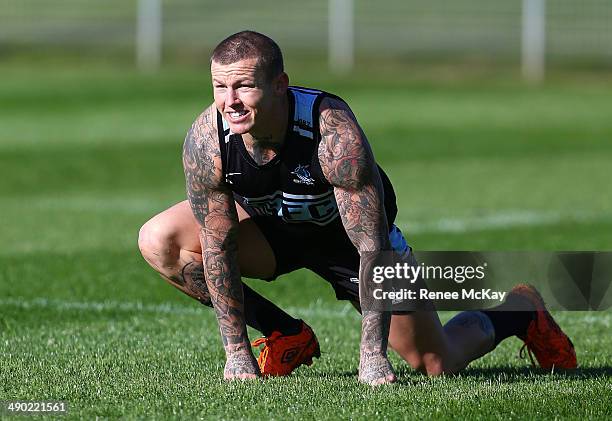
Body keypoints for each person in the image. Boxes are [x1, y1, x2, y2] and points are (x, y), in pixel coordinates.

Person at [138, 31, 576, 384]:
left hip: (349, 245)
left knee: (435, 362)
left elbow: (372, 245)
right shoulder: (207, 140)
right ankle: (285, 333)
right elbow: (217, 244)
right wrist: (236, 355)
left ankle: (518, 310)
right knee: (160, 241)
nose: (230, 100)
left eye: (244, 85)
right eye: (220, 86)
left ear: (279, 85)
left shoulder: (332, 134)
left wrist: (372, 357)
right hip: (272, 231)